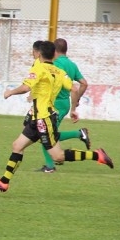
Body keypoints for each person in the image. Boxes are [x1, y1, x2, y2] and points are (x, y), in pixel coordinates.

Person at [0, 40, 113, 193]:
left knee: (58, 156)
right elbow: (74, 88)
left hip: (44, 119)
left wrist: (10, 92)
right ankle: (4, 182)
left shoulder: (39, 68)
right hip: (37, 117)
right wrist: (73, 108)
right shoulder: (59, 72)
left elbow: (26, 87)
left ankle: (97, 155)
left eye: (34, 52)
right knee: (17, 146)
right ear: (53, 54)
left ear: (38, 53)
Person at [36, 38, 91, 173]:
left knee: (46, 136)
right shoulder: (72, 65)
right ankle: (78, 135)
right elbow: (84, 83)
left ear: (54, 50)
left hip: (54, 104)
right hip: (64, 103)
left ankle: (50, 166)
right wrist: (76, 102)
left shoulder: (54, 63)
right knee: (49, 134)